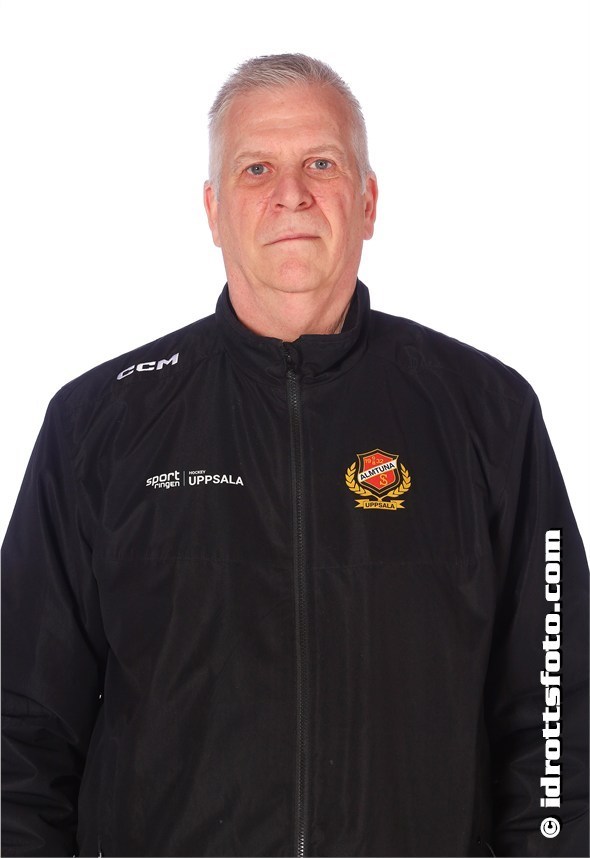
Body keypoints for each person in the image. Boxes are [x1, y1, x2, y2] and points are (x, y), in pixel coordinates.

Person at [1, 53, 588, 858]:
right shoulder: (98, 424)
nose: (291, 193)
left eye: (321, 163)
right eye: (256, 168)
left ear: (368, 200)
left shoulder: (488, 413)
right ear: (213, 210)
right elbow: (19, 730)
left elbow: (557, 715)